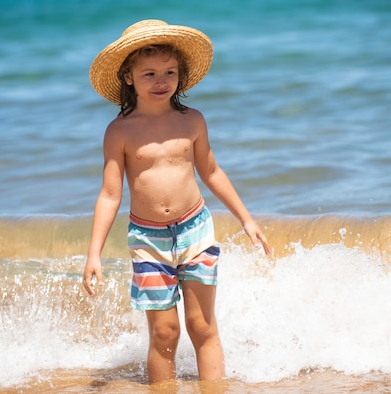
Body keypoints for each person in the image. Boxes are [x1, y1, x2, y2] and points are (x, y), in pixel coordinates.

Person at [83, 19, 270, 384]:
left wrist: (246, 219)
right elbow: (110, 194)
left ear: (180, 76)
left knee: (202, 326)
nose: (161, 81)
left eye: (169, 72)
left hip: (195, 229)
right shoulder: (119, 131)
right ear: (128, 77)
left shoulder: (192, 121)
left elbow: (212, 171)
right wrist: (94, 253)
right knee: (165, 334)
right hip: (149, 241)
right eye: (149, 73)